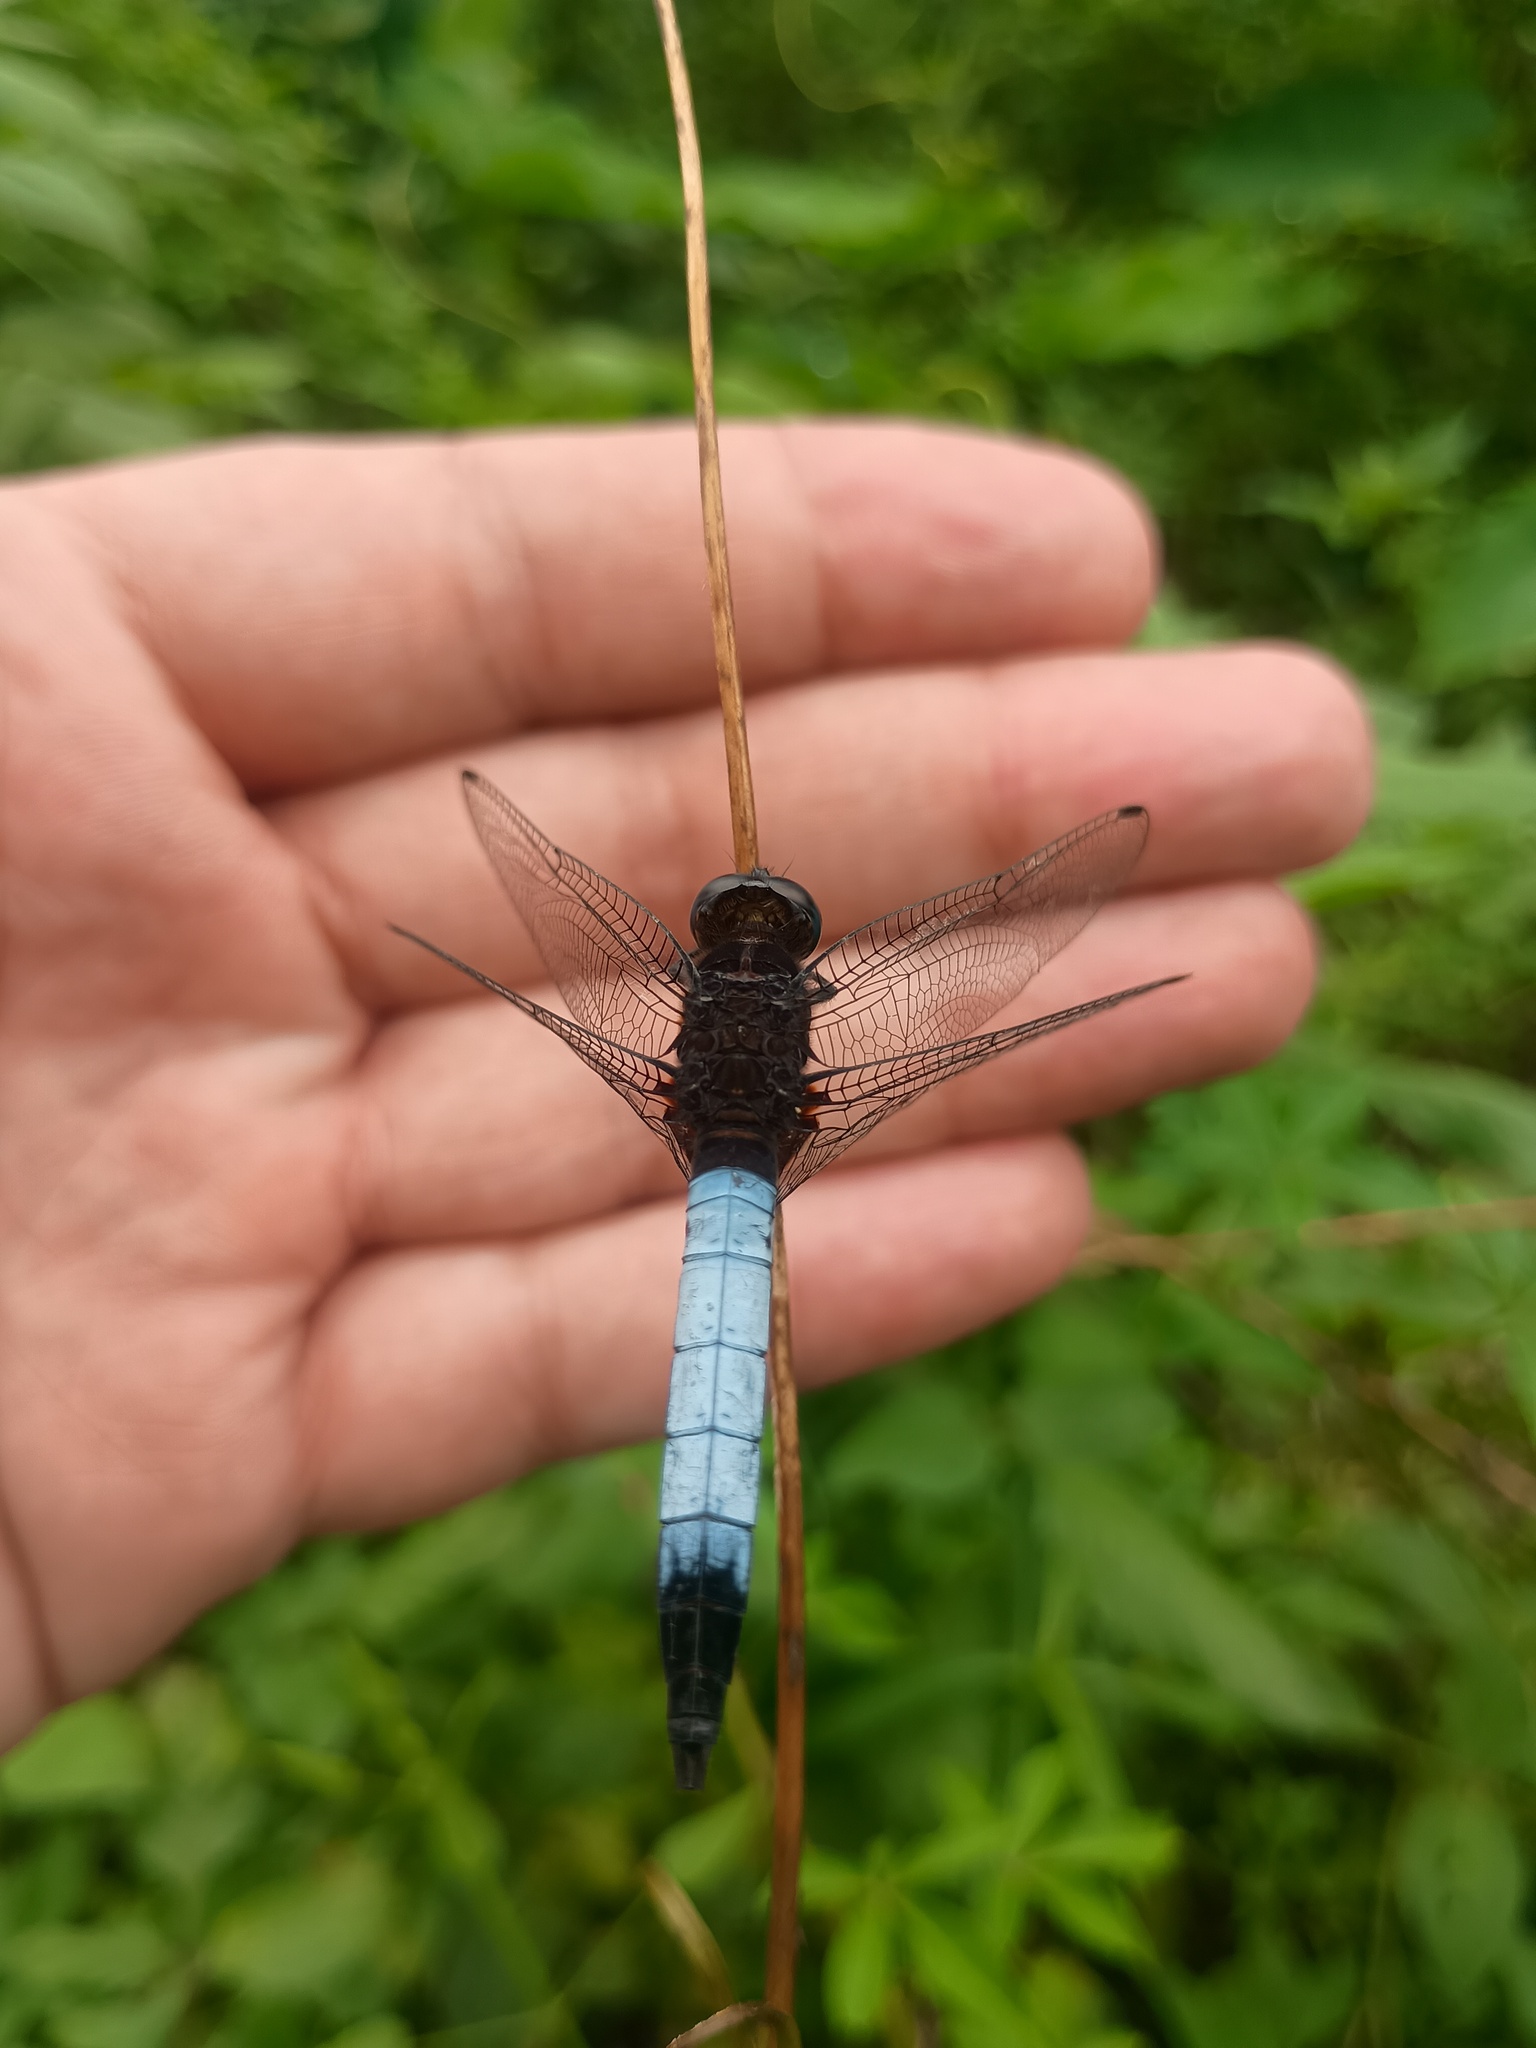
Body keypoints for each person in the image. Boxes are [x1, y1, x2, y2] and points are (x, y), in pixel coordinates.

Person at [0, 418, 1371, 1753]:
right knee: (737, 1391)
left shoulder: (667, 983)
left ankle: (698, 1674)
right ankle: (705, 1678)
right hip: (752, 1166)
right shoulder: (828, 1001)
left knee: (714, 1390)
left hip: (727, 1167)